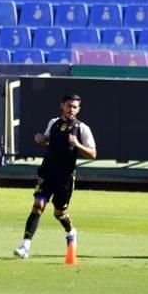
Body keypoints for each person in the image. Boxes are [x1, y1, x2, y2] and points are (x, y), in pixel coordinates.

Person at [13, 94, 97, 259]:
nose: (71, 109)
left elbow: (93, 153)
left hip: (65, 178)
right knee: (38, 204)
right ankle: (25, 246)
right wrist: (41, 139)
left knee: (59, 212)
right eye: (68, 106)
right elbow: (48, 140)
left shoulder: (82, 129)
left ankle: (71, 231)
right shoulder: (53, 123)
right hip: (47, 172)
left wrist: (77, 144)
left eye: (74, 107)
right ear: (62, 106)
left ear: (78, 109)